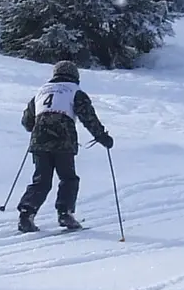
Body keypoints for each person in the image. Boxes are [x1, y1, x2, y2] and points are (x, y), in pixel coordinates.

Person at [16, 60, 113, 233]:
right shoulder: (74, 91)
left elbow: (26, 121)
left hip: (39, 140)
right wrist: (102, 136)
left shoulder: (41, 92)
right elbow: (88, 117)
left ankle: (26, 214)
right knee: (68, 178)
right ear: (75, 76)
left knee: (41, 180)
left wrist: (38, 128)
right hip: (63, 140)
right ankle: (65, 213)